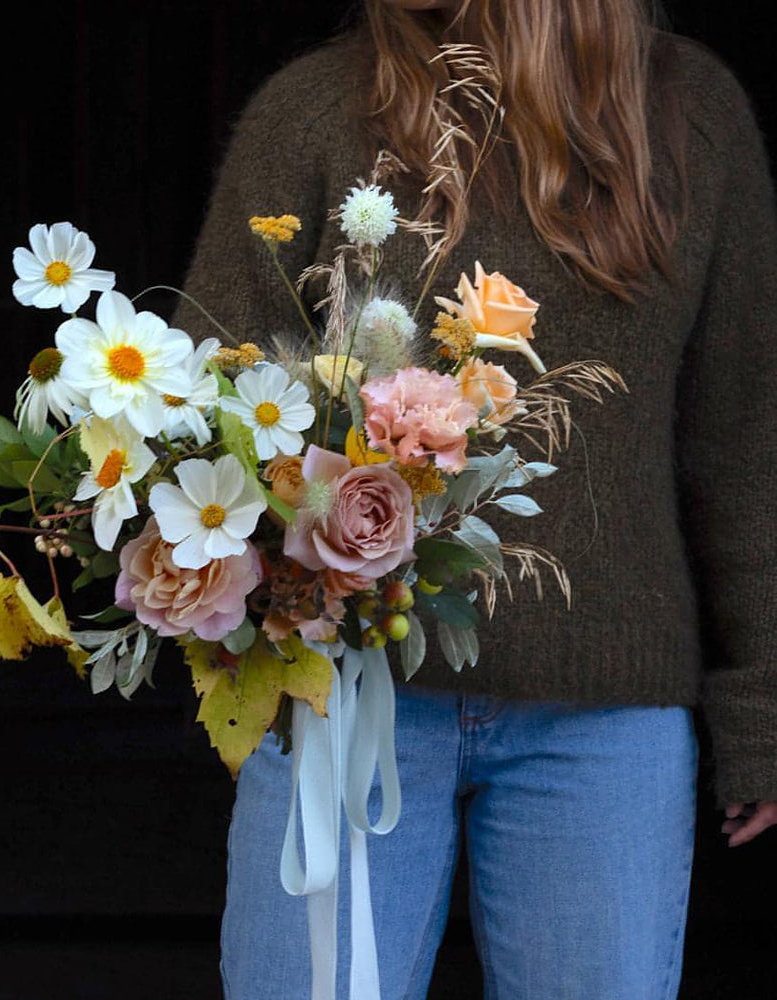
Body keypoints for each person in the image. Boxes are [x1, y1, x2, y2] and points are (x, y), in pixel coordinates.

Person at [171, 1, 777, 997]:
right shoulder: (320, 107)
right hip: (345, 694)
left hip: (603, 713)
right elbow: (219, 403)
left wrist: (759, 701)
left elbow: (743, 434)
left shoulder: (689, 115)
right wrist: (235, 635)